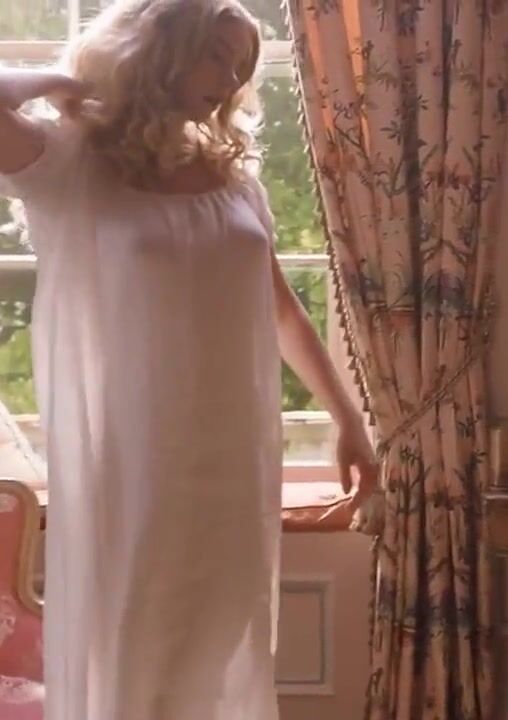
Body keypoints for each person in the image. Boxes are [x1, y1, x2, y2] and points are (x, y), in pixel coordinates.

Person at [0, 1, 378, 718]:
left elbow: (280, 311)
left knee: (216, 650)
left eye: (240, 66)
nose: (230, 80)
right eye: (216, 55)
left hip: (231, 464)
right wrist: (63, 81)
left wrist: (349, 420)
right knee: (135, 650)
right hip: (132, 463)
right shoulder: (71, 161)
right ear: (159, 48)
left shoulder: (235, 179)